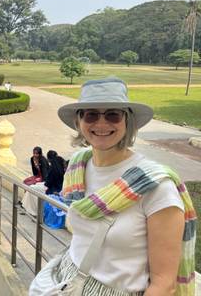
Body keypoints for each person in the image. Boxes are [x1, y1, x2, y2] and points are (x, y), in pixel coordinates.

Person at [31, 77, 197, 295]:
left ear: (128, 121)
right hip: (67, 280)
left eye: (113, 115)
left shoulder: (156, 188)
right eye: (91, 114)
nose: (101, 124)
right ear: (78, 122)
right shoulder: (78, 166)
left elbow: (164, 283)